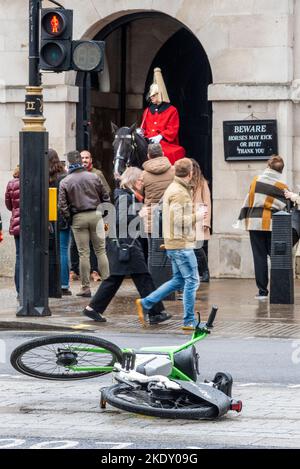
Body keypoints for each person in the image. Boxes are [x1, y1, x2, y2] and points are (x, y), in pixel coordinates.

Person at [83, 167, 172, 325]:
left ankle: (93, 309)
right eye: (139, 180)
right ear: (132, 180)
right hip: (126, 246)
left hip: (125, 245)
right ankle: (155, 312)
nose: (141, 183)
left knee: (115, 279)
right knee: (143, 277)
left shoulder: (127, 195)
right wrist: (139, 215)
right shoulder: (124, 197)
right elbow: (120, 221)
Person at [136, 158, 207, 330]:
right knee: (192, 281)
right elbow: (178, 220)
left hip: (175, 243)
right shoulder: (179, 192)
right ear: (190, 173)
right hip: (181, 244)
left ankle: (146, 303)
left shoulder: (175, 188)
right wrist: (199, 215)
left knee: (178, 281)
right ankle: (189, 321)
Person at [235, 155, 288, 300]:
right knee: (277, 257)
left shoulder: (256, 181)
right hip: (273, 223)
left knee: (259, 257)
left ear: (268, 166)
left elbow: (249, 200)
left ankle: (262, 292)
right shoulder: (282, 187)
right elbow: (285, 207)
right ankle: (280, 288)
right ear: (281, 170)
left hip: (254, 222)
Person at [59, 150, 110, 297]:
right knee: (101, 250)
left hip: (78, 218)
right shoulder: (94, 176)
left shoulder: (65, 181)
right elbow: (105, 196)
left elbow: (62, 205)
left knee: (83, 254)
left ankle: (86, 287)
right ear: (81, 162)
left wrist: (70, 218)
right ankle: (108, 284)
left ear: (69, 163)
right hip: (96, 215)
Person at [140, 67, 185, 165]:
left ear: (160, 94)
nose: (151, 97)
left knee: (173, 152)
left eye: (154, 95)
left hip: (164, 142)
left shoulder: (172, 110)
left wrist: (160, 136)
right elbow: (143, 128)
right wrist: (140, 132)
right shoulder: (147, 111)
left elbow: (172, 129)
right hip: (147, 141)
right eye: (151, 95)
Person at [48, 149, 71, 296]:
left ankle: (49, 281)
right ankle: (63, 283)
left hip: (47, 219)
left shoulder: (44, 176)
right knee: (63, 250)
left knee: (48, 251)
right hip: (62, 217)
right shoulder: (64, 176)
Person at [190, 159, 211, 283]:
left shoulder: (202, 183)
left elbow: (207, 202)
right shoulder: (184, 183)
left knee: (198, 247)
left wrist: (206, 222)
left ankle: (205, 272)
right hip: (188, 219)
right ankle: (196, 272)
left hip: (199, 220)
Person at [5, 165, 20, 295]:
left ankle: (19, 289)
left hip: (16, 223)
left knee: (19, 256)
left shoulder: (11, 184)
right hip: (32, 225)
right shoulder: (33, 181)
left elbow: (9, 205)